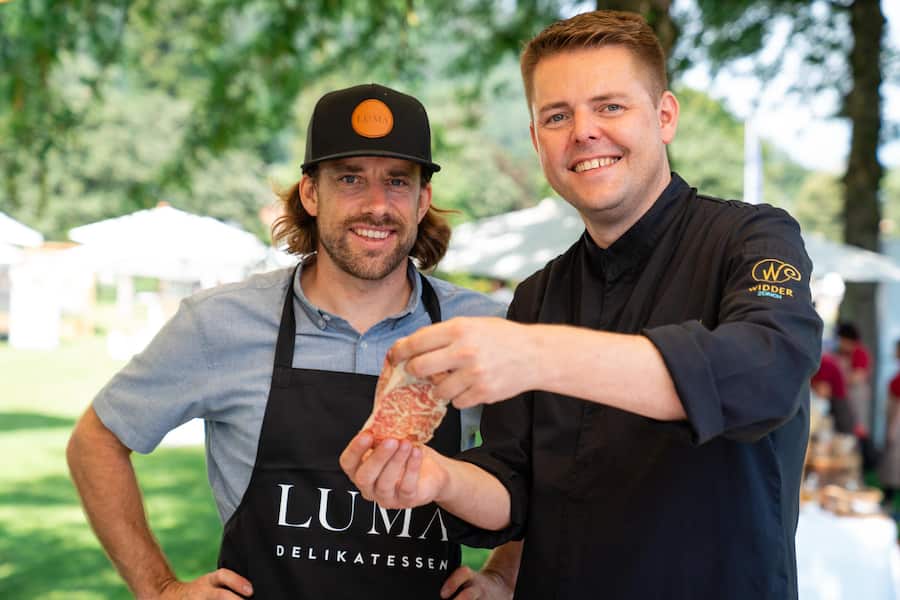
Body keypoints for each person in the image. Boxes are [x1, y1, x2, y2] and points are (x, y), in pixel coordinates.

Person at [341, 11, 823, 599]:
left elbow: (763, 374)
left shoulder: (752, 239)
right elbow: (512, 488)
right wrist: (436, 476)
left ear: (664, 116)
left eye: (611, 106)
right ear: (537, 138)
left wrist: (536, 354)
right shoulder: (539, 295)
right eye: (558, 116)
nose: (584, 131)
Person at [66, 83, 514, 599]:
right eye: (350, 179)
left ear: (421, 200)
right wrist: (160, 588)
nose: (376, 205)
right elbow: (95, 441)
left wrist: (503, 575)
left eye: (397, 181)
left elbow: (554, 462)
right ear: (310, 193)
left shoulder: (482, 331)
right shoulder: (221, 323)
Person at [879, 340, 900, 507]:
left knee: (893, 463)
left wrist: (892, 430)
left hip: (897, 422)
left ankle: (890, 501)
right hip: (893, 420)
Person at [811, 352, 854, 435]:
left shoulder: (823, 363)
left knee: (843, 429)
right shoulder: (822, 360)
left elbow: (823, 388)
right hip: (838, 398)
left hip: (837, 400)